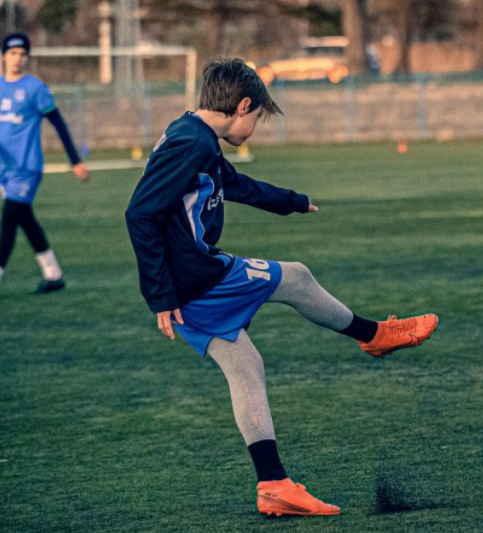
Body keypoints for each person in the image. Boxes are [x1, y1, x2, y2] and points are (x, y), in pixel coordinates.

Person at [124, 57, 438, 517]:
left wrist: (291, 202)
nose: (254, 128)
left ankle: (274, 485)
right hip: (197, 278)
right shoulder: (191, 144)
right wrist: (161, 297)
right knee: (294, 276)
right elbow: (140, 213)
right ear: (243, 105)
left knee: (246, 367)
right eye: (256, 119)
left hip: (191, 279)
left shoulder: (194, 134)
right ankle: (374, 336)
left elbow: (233, 185)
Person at [0, 33, 89, 298]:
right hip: (3, 169)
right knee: (23, 218)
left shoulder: (35, 89)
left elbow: (59, 125)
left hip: (28, 167)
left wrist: (75, 161)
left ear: (27, 57)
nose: (17, 58)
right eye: (13, 53)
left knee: (10, 216)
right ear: (4, 55)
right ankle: (53, 274)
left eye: (22, 54)